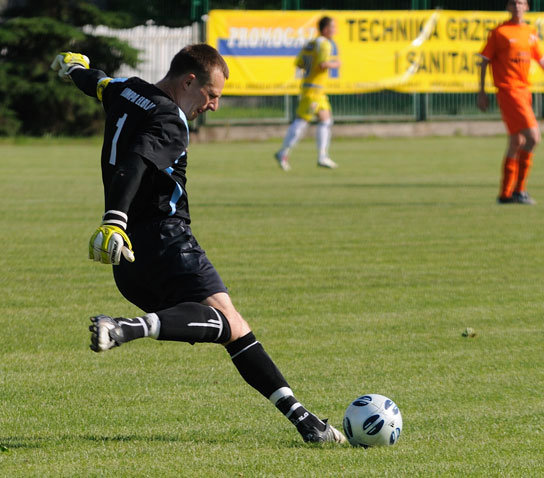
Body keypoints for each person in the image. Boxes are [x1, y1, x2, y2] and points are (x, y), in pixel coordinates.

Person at [50, 45, 346, 444]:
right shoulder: (169, 118)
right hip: (166, 241)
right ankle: (126, 328)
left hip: (129, 259)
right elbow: (136, 159)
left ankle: (306, 422)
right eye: (212, 94)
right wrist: (113, 218)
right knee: (226, 324)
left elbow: (98, 82)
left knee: (232, 324)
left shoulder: (126, 89)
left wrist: (73, 68)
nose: (214, 106)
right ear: (189, 81)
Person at [478, 0, 544, 205]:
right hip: (508, 90)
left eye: (521, 2)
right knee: (533, 137)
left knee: (517, 142)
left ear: (527, 7)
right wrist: (481, 92)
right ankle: (520, 190)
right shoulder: (499, 32)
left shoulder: (530, 31)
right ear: (507, 7)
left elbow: (543, 61)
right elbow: (484, 60)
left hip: (524, 91)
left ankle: (505, 194)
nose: (517, 6)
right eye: (513, 3)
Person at [274, 16, 340, 171]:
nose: (335, 30)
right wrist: (335, 64)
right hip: (313, 91)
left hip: (315, 90)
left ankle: (322, 156)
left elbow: (299, 63)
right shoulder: (325, 44)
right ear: (325, 29)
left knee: (326, 120)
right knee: (301, 122)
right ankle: (283, 152)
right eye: (333, 27)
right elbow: (323, 64)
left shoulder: (311, 43)